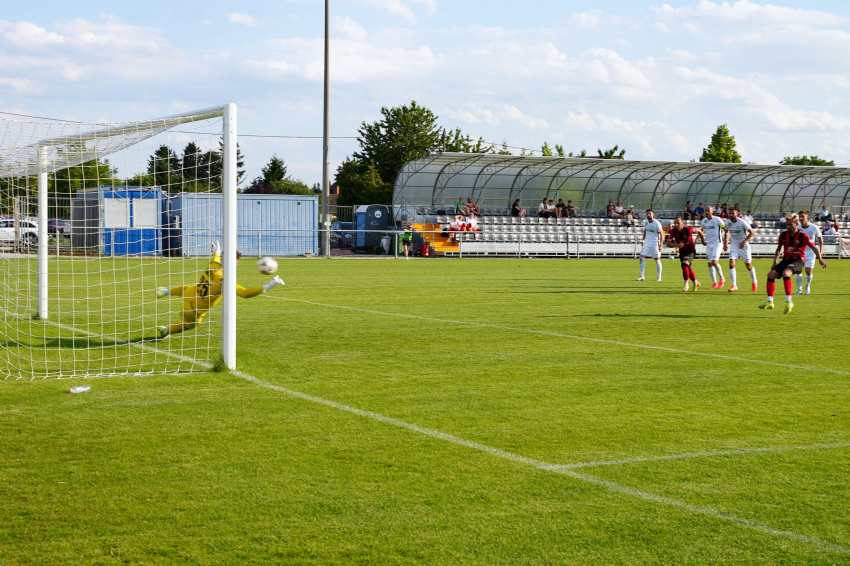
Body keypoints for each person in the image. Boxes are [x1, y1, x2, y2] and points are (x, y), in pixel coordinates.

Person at [155, 242, 283, 339]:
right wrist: (269, 286)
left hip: (188, 295)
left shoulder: (214, 264)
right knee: (190, 325)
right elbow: (245, 294)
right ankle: (165, 330)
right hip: (193, 309)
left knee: (189, 288)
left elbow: (216, 257)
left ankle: (164, 291)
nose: (237, 263)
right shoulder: (225, 279)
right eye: (236, 261)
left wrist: (216, 252)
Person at [759, 213, 826, 313]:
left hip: (798, 260)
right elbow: (778, 249)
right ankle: (770, 301)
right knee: (771, 274)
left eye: (790, 224)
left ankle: (789, 301)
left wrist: (820, 259)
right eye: (787, 224)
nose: (788, 226)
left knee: (786, 274)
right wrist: (775, 262)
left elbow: (814, 247)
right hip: (786, 260)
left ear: (796, 224)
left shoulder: (803, 236)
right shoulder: (783, 235)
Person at [667, 216, 705, 292]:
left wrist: (700, 241)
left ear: (682, 223)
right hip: (682, 252)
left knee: (684, 265)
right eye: (675, 223)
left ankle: (686, 284)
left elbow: (700, 231)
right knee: (688, 268)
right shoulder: (673, 231)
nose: (676, 225)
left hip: (690, 250)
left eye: (678, 223)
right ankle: (696, 283)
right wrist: (677, 245)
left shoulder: (688, 229)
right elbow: (668, 244)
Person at [724, 208, 757, 292]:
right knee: (731, 263)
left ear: (737, 214)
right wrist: (726, 243)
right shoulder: (727, 222)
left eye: (733, 213)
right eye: (729, 213)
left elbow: (752, 232)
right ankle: (734, 285)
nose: (731, 215)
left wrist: (744, 241)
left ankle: (754, 281)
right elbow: (727, 231)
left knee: (748, 265)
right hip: (734, 245)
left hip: (744, 246)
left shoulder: (742, 222)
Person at [796, 211, 823, 294]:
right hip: (799, 252)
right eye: (800, 216)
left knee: (808, 271)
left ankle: (807, 286)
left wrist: (821, 250)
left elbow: (820, 238)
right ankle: (799, 289)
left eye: (802, 216)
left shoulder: (814, 227)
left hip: (811, 252)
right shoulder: (797, 227)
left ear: (807, 217)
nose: (801, 218)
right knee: (798, 271)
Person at [700, 206, 726, 289]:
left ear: (712, 211)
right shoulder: (704, 221)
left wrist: (726, 241)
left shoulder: (717, 219)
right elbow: (701, 232)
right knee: (709, 263)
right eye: (706, 210)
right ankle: (714, 283)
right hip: (708, 244)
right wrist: (699, 240)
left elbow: (725, 229)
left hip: (717, 243)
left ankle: (722, 278)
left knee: (714, 262)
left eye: (708, 210)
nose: (706, 212)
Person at [636, 209, 663, 282]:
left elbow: (661, 234)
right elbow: (645, 230)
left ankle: (659, 277)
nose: (648, 215)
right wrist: (643, 240)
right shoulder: (645, 222)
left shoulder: (657, 223)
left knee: (657, 260)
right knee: (641, 257)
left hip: (655, 243)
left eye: (649, 213)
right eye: (647, 213)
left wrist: (661, 245)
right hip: (647, 243)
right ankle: (642, 275)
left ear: (653, 214)